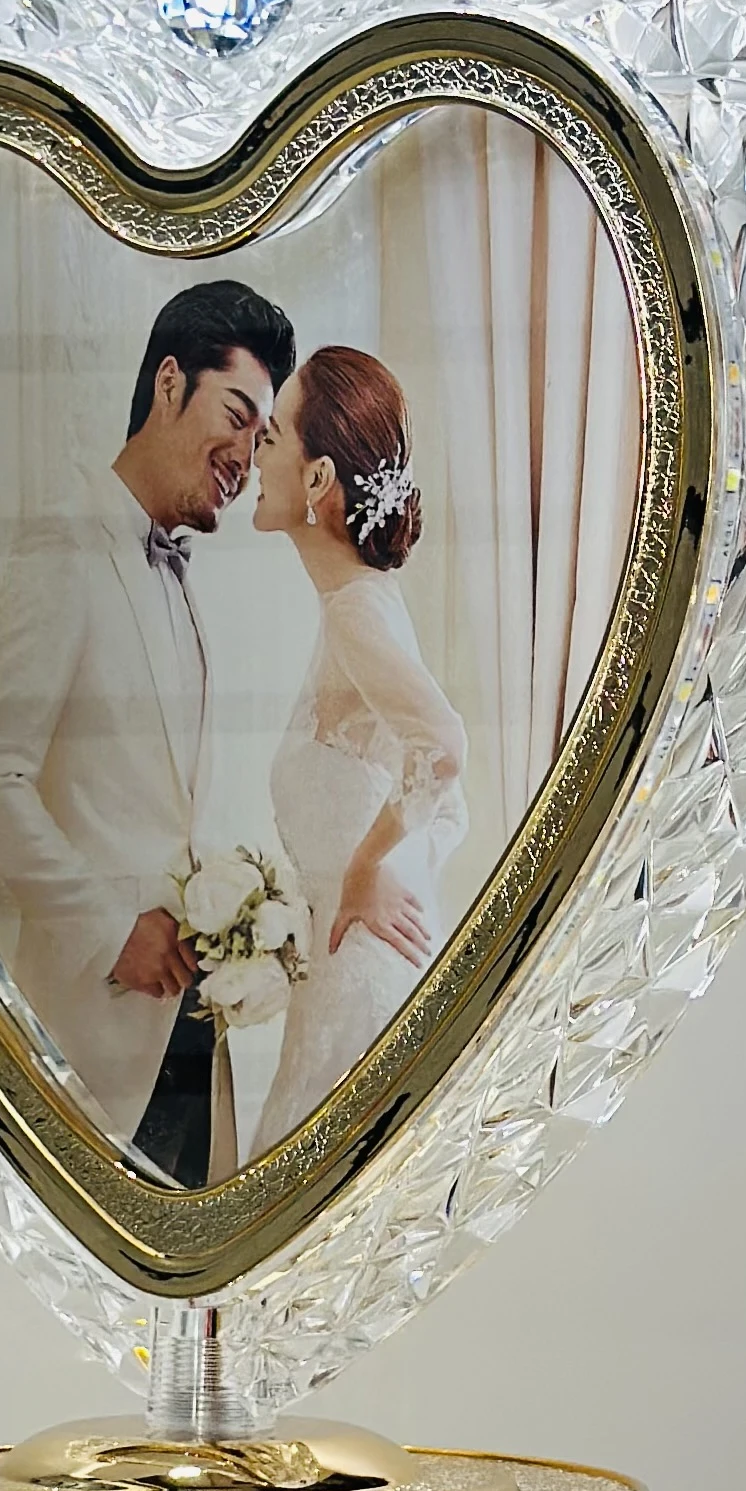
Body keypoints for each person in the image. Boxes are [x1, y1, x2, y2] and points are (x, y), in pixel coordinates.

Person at [0, 280, 296, 1186]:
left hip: (194, 1029)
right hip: (93, 1031)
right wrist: (111, 929)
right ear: (170, 383)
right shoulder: (64, 545)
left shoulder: (185, 580)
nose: (246, 457)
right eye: (237, 416)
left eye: (263, 438)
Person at [248, 346, 466, 1155]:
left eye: (272, 436)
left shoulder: (357, 614)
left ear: (317, 479)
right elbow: (448, 806)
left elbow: (443, 748)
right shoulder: (360, 604)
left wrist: (366, 870)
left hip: (361, 991)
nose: (254, 453)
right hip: (341, 980)